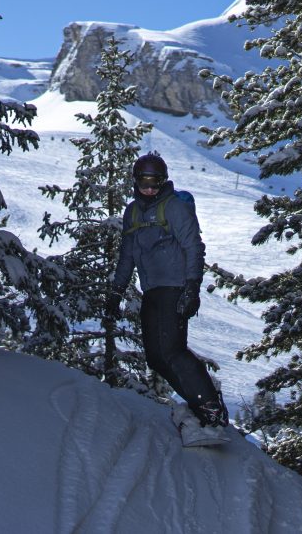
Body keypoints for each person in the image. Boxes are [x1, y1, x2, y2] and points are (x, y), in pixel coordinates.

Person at [106, 153, 229, 428]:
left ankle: (210, 408)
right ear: (135, 181)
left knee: (172, 349)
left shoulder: (174, 208)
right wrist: (116, 292)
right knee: (156, 357)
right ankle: (200, 404)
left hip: (175, 287)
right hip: (151, 289)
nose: (150, 189)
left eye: (155, 183)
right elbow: (127, 255)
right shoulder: (132, 212)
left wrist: (192, 288)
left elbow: (194, 247)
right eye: (144, 183)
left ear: (163, 182)